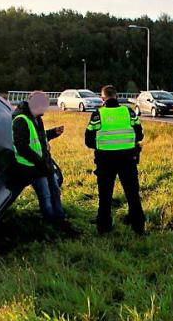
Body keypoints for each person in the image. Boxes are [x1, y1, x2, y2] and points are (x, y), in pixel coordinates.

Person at [12, 91, 79, 237]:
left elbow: (39, 137)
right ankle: (51, 224)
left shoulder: (36, 118)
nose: (44, 109)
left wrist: (53, 133)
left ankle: (60, 220)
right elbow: (22, 147)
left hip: (44, 164)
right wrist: (40, 162)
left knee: (55, 191)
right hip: (33, 168)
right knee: (46, 196)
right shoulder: (20, 120)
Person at [85, 85, 146, 235]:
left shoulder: (98, 114)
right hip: (128, 160)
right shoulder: (128, 112)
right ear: (117, 97)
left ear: (102, 98)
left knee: (105, 196)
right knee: (132, 194)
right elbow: (139, 135)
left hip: (105, 160)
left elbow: (88, 140)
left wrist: (103, 145)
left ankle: (104, 228)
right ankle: (138, 228)